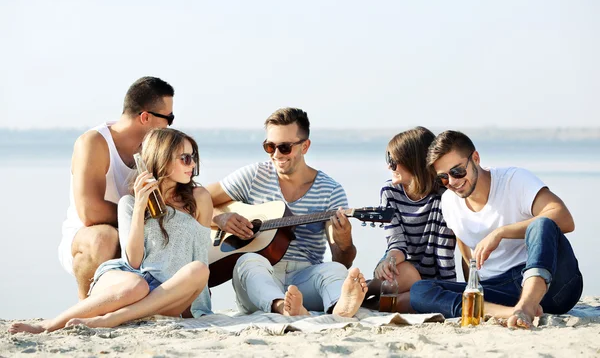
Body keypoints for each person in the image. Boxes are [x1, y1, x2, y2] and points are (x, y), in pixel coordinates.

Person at [10, 128, 212, 334]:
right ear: (163, 159)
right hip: (130, 281)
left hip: (167, 294)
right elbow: (133, 261)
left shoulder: (199, 199)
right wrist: (140, 206)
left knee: (199, 270)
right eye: (185, 158)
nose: (193, 164)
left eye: (193, 157)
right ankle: (49, 325)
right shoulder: (129, 203)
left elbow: (200, 256)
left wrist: (193, 301)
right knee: (137, 285)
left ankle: (112, 318)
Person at [409, 130, 583, 329]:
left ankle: (526, 306)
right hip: (500, 291)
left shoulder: (514, 180)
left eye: (457, 171)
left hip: (553, 286)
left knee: (541, 223)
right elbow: (469, 260)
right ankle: (512, 312)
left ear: (475, 158)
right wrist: (471, 288)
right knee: (420, 291)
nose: (453, 182)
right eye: (443, 178)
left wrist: (501, 233)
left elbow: (564, 218)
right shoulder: (448, 202)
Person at [206, 107, 368, 318]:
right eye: (269, 146)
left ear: (305, 146)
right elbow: (195, 199)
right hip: (258, 280)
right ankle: (283, 307)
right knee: (246, 262)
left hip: (305, 277)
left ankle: (340, 308)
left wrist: (344, 240)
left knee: (335, 271)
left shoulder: (330, 190)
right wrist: (220, 218)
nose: (276, 154)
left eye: (284, 148)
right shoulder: (254, 175)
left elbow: (342, 260)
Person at [58, 76, 176, 299]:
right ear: (145, 117)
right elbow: (90, 213)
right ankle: (86, 309)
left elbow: (181, 196)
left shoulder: (155, 148)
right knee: (105, 238)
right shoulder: (94, 143)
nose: (170, 125)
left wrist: (217, 217)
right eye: (168, 118)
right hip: (90, 237)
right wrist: (141, 215)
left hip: (138, 233)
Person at [365, 127, 457, 312]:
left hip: (429, 282)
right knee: (409, 274)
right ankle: (364, 289)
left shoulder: (444, 197)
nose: (389, 167)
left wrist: (449, 288)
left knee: (414, 297)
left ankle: (366, 305)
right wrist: (387, 262)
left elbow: (443, 252)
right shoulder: (389, 193)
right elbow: (396, 243)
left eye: (393, 161)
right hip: (401, 269)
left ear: (412, 162)